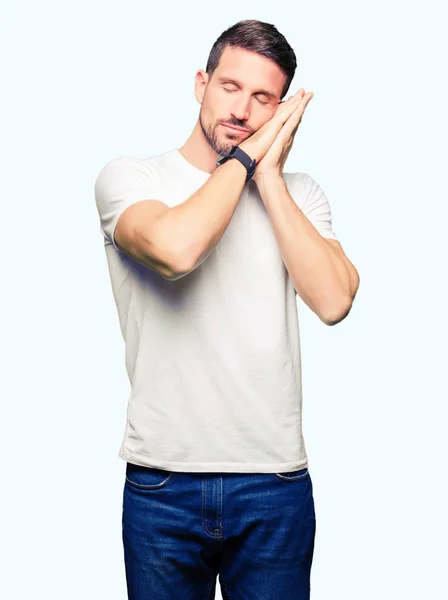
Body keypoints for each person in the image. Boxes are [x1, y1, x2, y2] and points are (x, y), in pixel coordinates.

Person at [94, 18, 359, 600]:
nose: (242, 109)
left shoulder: (299, 193)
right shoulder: (132, 179)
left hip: (274, 484)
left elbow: (336, 300)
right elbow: (175, 250)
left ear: (282, 110)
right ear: (201, 84)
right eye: (230, 87)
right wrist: (242, 165)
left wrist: (269, 177)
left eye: (263, 98)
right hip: (163, 485)